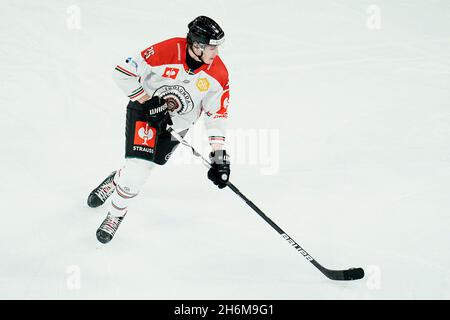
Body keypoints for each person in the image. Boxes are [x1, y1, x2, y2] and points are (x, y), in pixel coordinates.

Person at [87, 16, 231, 244]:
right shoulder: (166, 50)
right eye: (212, 46)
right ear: (197, 45)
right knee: (138, 170)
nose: (216, 52)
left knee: (146, 165)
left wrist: (220, 155)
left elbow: (217, 114)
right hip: (145, 113)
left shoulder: (218, 74)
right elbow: (122, 72)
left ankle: (116, 180)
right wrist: (147, 100)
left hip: (177, 126)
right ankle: (116, 214)